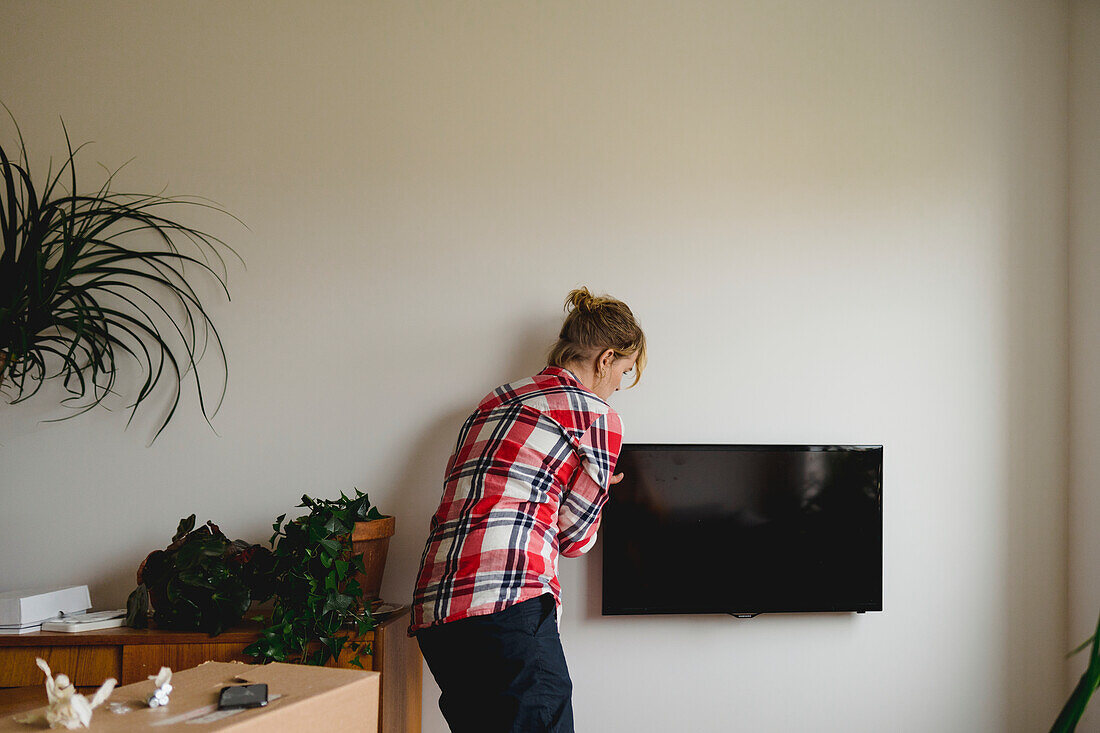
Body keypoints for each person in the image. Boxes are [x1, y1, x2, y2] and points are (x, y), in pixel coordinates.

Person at [409, 287, 647, 733]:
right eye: (624, 370)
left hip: (437, 610)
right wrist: (600, 491)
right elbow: (576, 540)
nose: (619, 385)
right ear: (605, 358)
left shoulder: (495, 400)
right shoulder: (596, 415)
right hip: (507, 601)